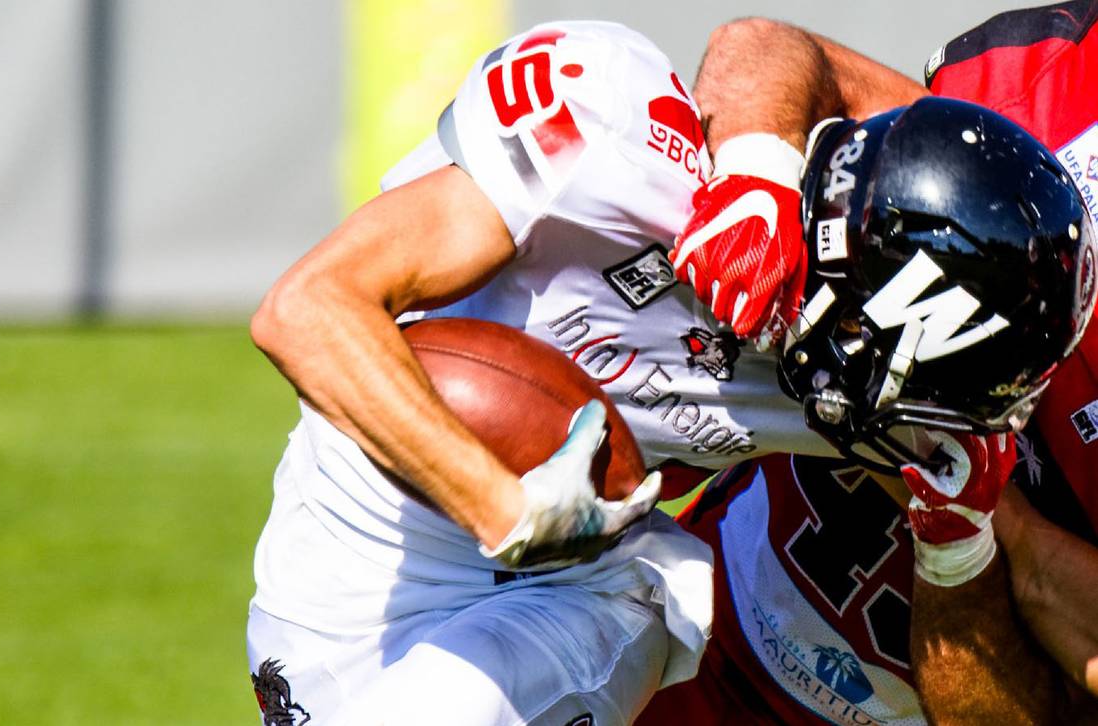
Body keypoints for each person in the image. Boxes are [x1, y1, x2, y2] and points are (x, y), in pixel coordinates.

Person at [247, 18, 1090, 726]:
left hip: (592, 587)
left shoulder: (903, 400)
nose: (902, 415)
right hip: (365, 524)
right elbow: (305, 310)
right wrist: (505, 505)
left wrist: (961, 538)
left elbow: (1037, 591)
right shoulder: (613, 126)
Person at [637, 8, 1098, 724]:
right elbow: (771, 54)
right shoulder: (1056, 91)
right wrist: (758, 179)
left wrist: (966, 534)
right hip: (700, 602)